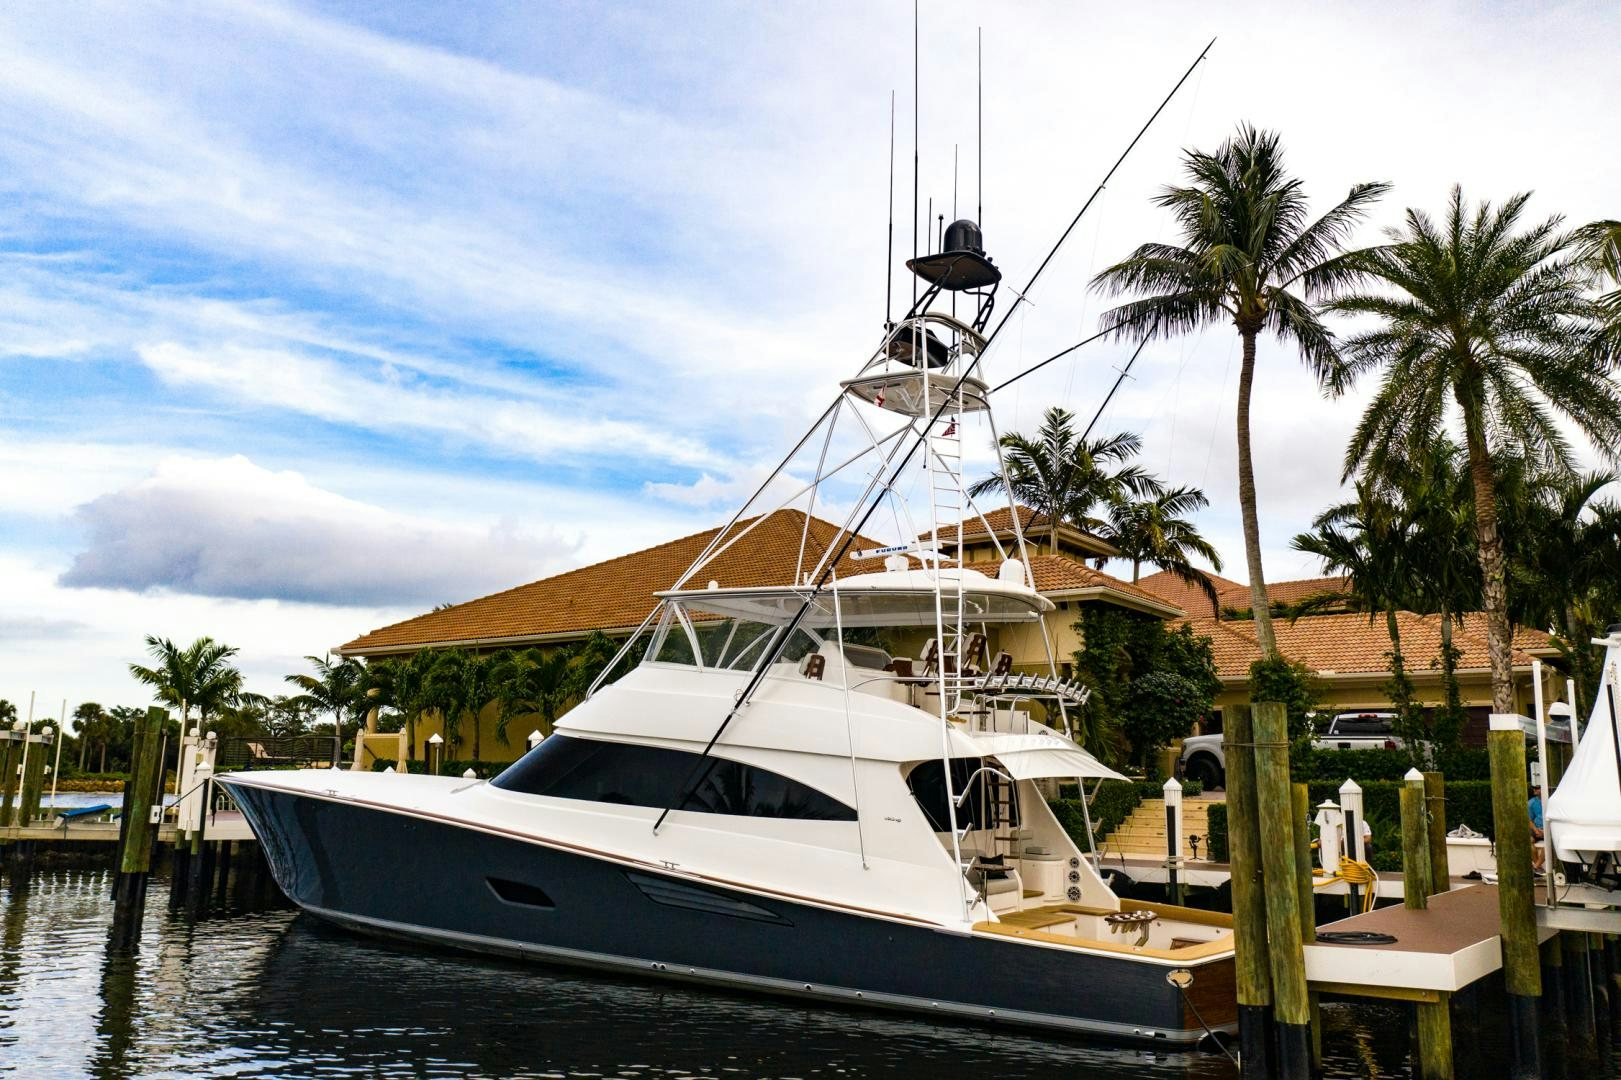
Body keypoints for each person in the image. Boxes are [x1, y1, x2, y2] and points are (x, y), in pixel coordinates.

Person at [1529, 788, 1546, 875]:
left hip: (1549, 829)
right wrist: (1536, 830)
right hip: (1537, 828)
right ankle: (1538, 868)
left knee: (1549, 844)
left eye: (1537, 788)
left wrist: (1545, 831)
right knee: (1528, 840)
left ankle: (1536, 866)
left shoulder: (1550, 800)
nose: (1534, 790)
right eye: (1534, 788)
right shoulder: (1531, 802)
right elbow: (1529, 820)